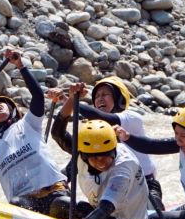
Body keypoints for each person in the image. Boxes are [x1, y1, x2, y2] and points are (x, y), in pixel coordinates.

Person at [0, 49, 71, 217]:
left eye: (2, 103)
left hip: (55, 191)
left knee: (61, 205)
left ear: (13, 111)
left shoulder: (29, 123)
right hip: (26, 201)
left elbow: (38, 96)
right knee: (17, 204)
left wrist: (20, 66)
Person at [46, 77, 163, 208]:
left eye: (105, 94)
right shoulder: (93, 132)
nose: (100, 98)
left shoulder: (131, 118)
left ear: (119, 99)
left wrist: (69, 99)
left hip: (144, 186)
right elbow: (59, 135)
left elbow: (103, 118)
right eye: (97, 96)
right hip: (109, 192)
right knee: (59, 201)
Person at [63, 120, 149, 219]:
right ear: (85, 156)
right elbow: (58, 134)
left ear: (113, 150)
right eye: (94, 157)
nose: (100, 162)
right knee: (60, 201)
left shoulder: (123, 168)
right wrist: (70, 103)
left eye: (105, 155)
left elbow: (106, 207)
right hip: (112, 213)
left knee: (64, 205)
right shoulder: (82, 153)